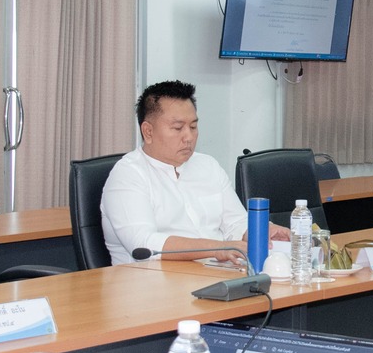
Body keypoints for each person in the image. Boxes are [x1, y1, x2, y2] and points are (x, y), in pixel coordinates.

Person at [99, 80, 286, 266]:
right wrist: (217, 248)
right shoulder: (128, 175)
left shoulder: (208, 166)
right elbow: (143, 244)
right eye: (178, 128)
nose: (189, 137)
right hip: (152, 280)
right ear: (148, 132)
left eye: (193, 127)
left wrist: (263, 232)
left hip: (217, 275)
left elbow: (236, 224)